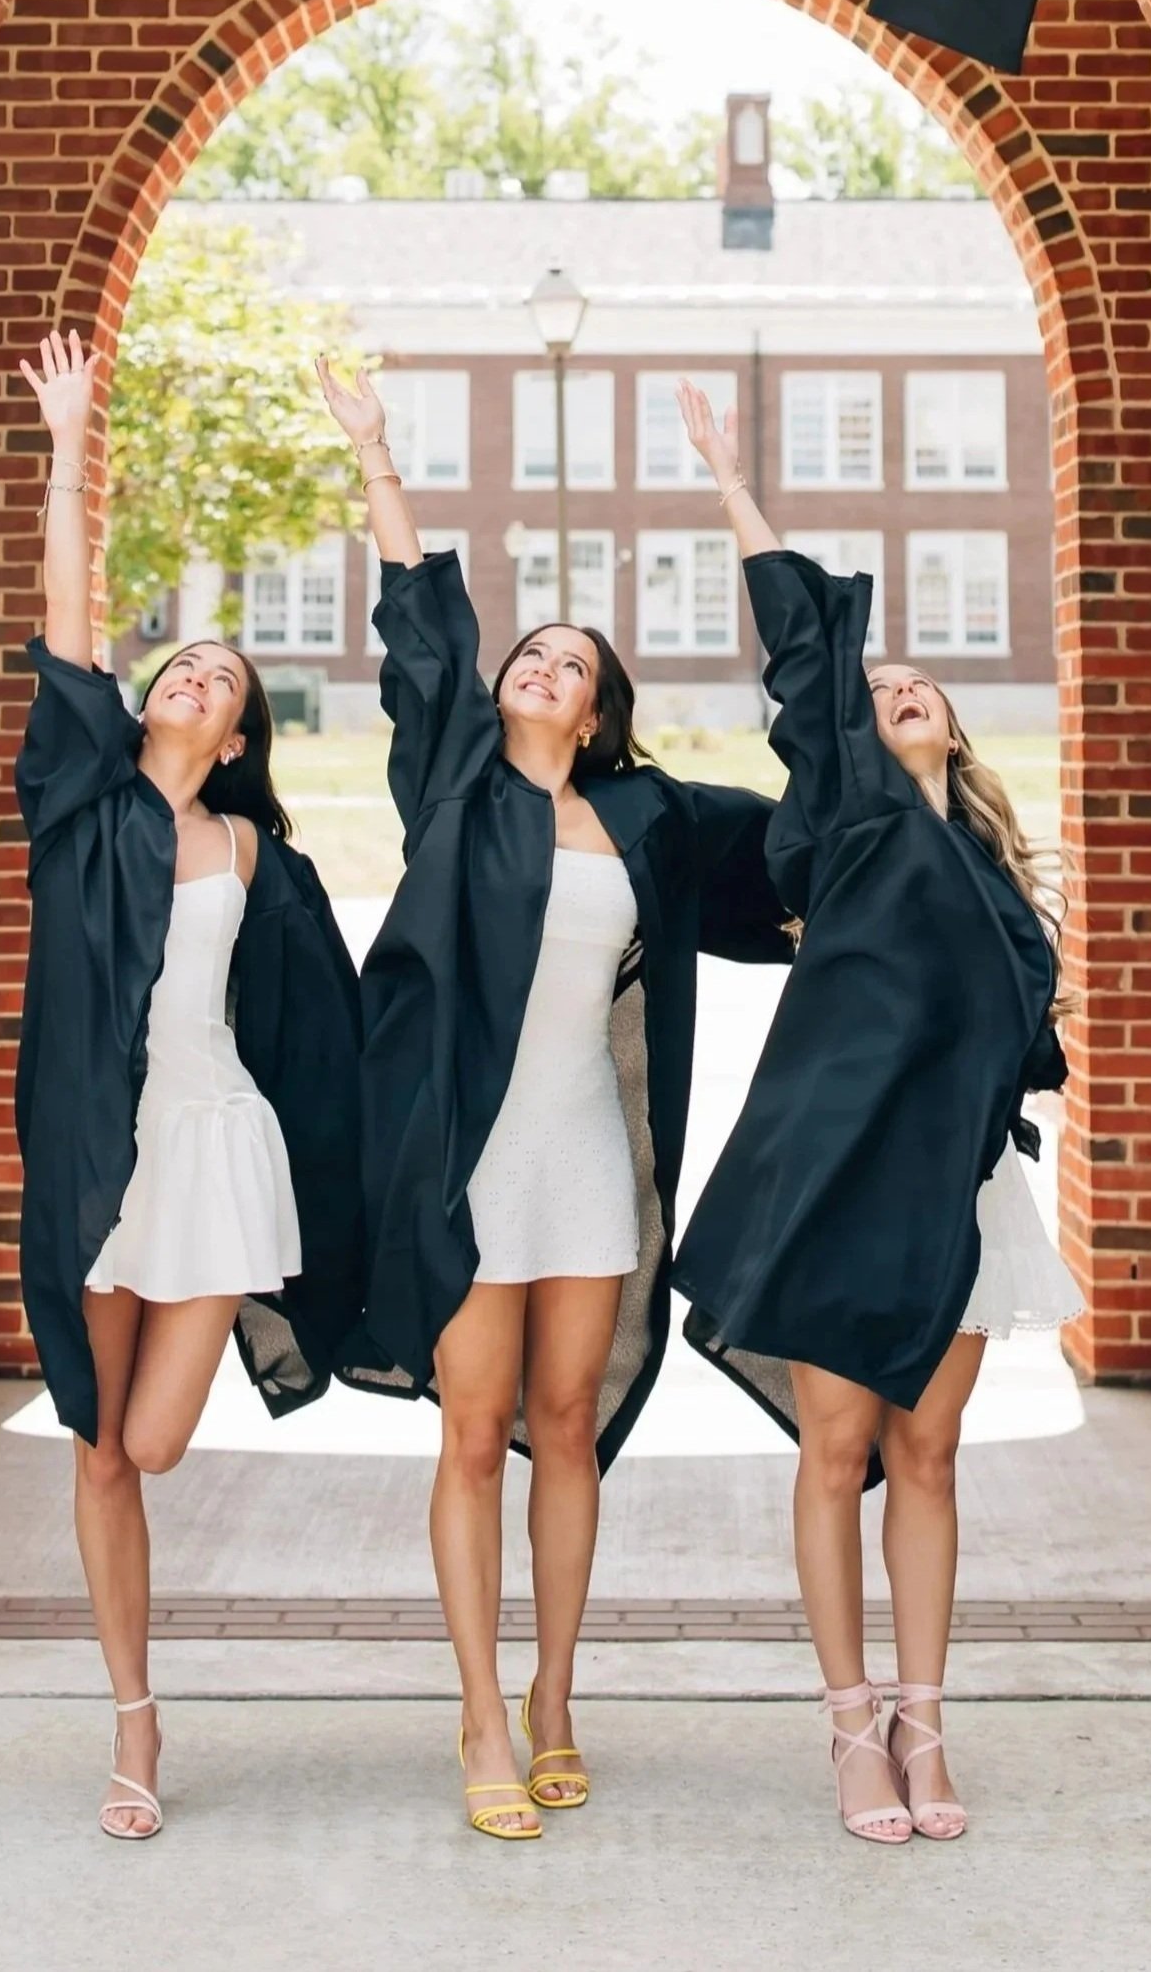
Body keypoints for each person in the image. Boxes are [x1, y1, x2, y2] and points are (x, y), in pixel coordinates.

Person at [317, 357, 793, 1843]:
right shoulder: (453, 779)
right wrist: (381, 456)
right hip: (466, 1157)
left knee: (569, 1421)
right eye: (531, 651)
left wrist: (738, 505)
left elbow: (810, 854)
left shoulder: (652, 815)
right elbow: (420, 628)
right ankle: (474, 1711)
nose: (540, 665)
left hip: (592, 1155)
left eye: (570, 662)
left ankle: (557, 1696)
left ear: (598, 712)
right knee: (471, 1431)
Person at [668, 382, 1079, 1848]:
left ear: (957, 725)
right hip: (842, 1178)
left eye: (921, 683)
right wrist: (731, 480)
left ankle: (926, 1714)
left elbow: (1027, 1043)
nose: (895, 686)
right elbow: (804, 642)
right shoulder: (844, 821)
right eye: (877, 683)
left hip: (962, 1195)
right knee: (833, 1450)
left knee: (929, 1452)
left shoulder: (1000, 872)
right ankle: (850, 1728)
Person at [12, 328, 364, 1842]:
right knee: (102, 1444)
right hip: (101, 1146)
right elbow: (67, 619)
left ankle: (142, 1709)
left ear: (237, 732)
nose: (193, 673)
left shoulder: (257, 859)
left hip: (217, 1145)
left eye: (222, 678)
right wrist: (68, 441)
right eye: (182, 663)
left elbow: (334, 1026)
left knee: (154, 1440)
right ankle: (135, 1722)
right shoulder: (81, 801)